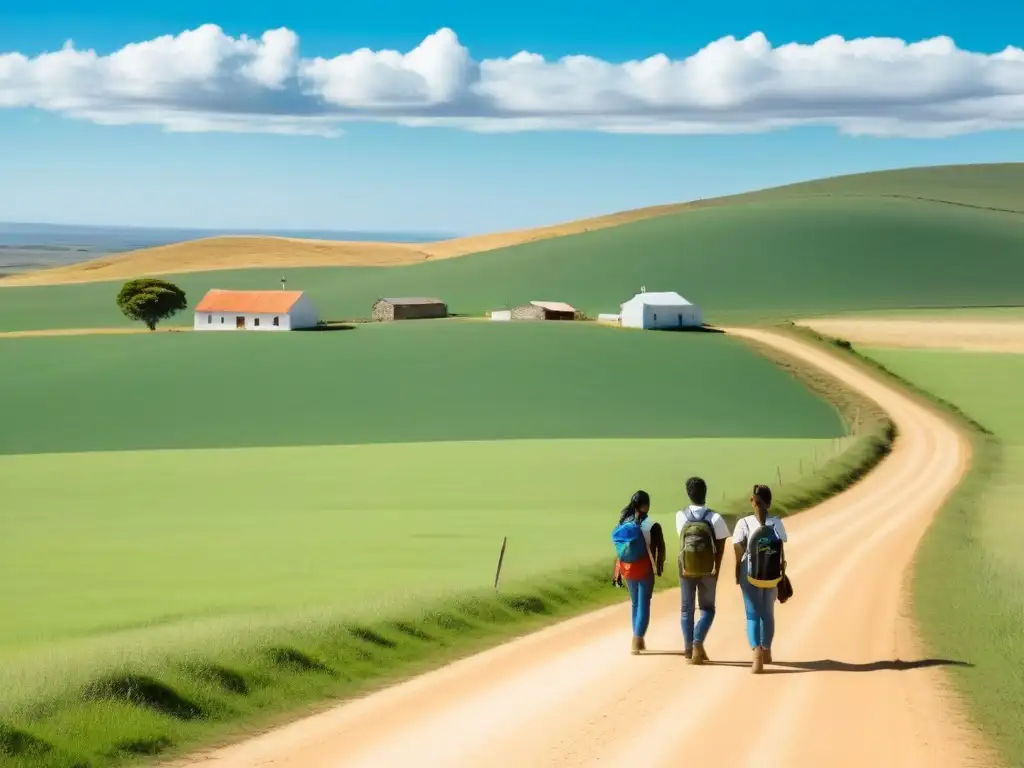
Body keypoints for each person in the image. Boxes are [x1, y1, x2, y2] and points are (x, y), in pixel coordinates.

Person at [733, 484, 788, 674]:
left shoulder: (744, 523)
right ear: (769, 503)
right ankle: (766, 649)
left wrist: (738, 569)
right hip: (772, 574)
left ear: (752, 501)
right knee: (768, 613)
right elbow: (782, 545)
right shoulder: (776, 522)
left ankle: (756, 652)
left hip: (750, 574)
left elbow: (738, 548)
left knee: (752, 614)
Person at [676, 477, 731, 664]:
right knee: (707, 609)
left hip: (686, 567)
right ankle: (697, 642)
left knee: (686, 609)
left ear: (688, 494)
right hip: (709, 569)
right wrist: (716, 570)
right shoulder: (715, 518)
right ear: (705, 493)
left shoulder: (680, 516)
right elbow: (721, 547)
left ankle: (688, 649)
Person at [613, 490, 666, 654]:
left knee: (635, 603)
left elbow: (620, 550)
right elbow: (660, 548)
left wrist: (618, 571)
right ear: (646, 505)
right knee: (644, 603)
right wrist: (659, 567)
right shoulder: (652, 525)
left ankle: (638, 636)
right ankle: (637, 638)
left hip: (628, 569)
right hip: (645, 568)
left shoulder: (623, 523)